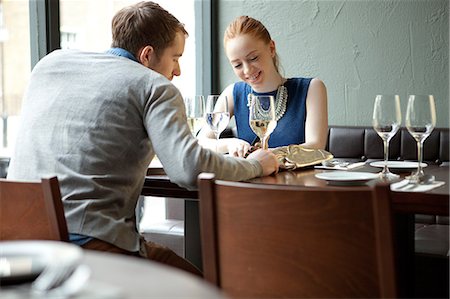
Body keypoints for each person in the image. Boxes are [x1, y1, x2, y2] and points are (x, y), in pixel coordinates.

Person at [7, 2, 278, 276]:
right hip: (87, 245)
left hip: (18, 238)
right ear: (147, 55)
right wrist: (256, 165)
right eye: (175, 58)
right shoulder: (153, 85)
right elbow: (188, 169)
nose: (178, 71)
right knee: (201, 285)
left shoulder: (49, 64)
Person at [198, 16, 328, 157]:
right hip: (247, 178)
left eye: (253, 58)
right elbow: (201, 141)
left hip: (298, 179)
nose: (247, 70)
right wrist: (230, 143)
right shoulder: (232, 93)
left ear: (271, 49)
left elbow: (316, 147)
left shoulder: (312, 88)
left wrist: (269, 154)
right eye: (237, 65)